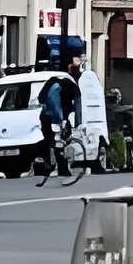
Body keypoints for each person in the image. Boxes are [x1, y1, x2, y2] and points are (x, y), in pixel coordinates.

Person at [36, 45, 84, 180]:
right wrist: (61, 120)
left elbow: (74, 107)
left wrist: (71, 121)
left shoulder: (68, 85)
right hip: (51, 117)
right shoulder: (59, 86)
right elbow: (55, 104)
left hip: (54, 116)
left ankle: (60, 166)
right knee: (56, 141)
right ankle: (56, 166)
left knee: (60, 142)